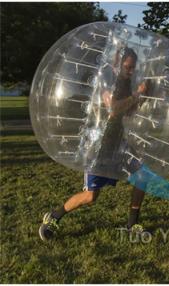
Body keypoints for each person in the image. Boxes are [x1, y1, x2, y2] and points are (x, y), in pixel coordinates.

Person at [39, 48, 148, 241]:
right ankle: (54, 217)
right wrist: (137, 95)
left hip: (118, 142)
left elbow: (127, 113)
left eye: (133, 68)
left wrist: (142, 98)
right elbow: (113, 109)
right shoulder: (106, 79)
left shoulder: (127, 82)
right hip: (98, 146)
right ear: (117, 62)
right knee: (91, 196)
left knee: (142, 176)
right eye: (128, 67)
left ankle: (132, 225)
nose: (131, 71)